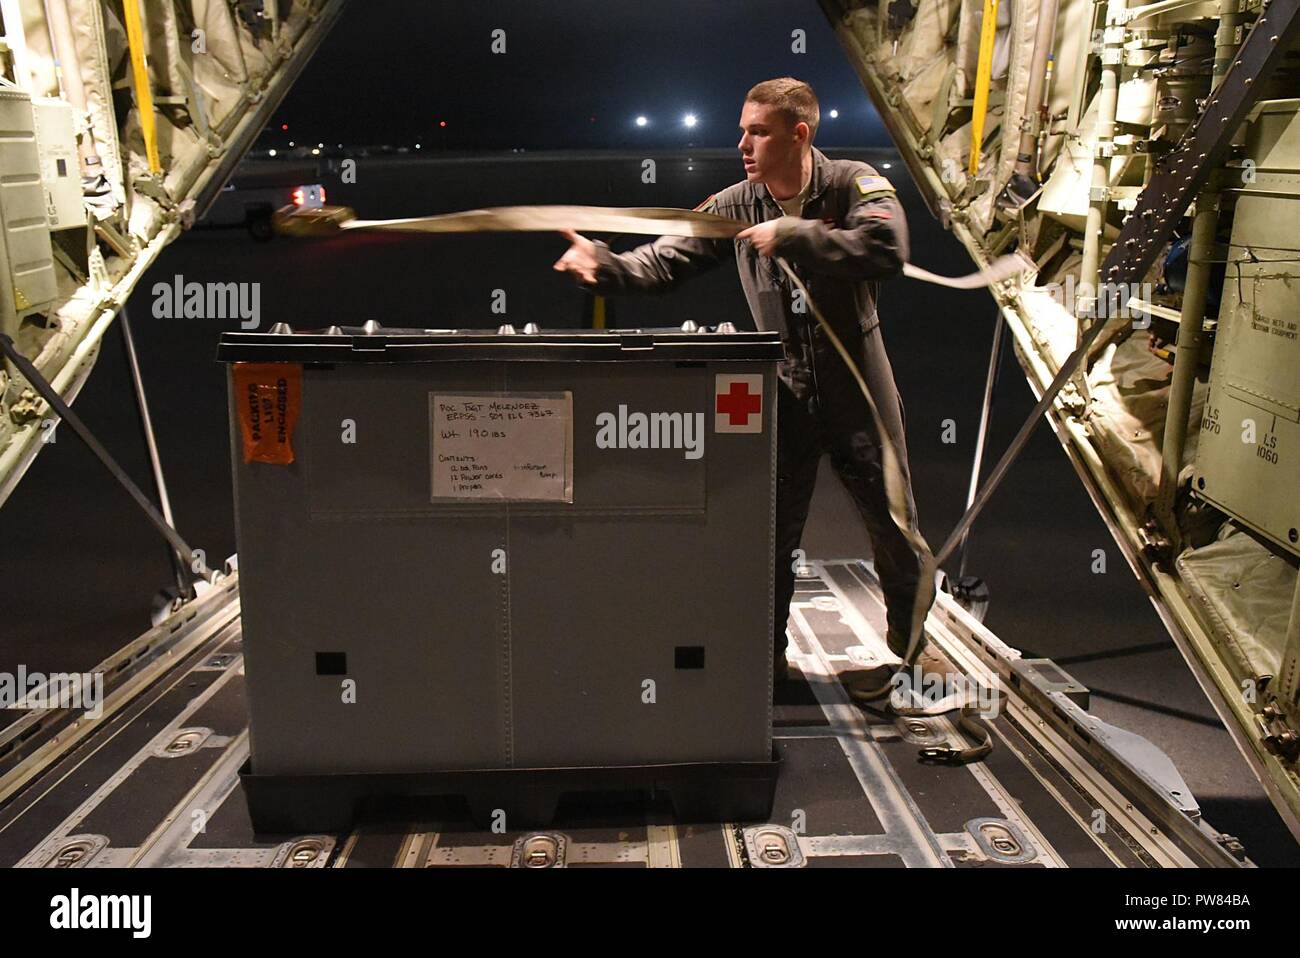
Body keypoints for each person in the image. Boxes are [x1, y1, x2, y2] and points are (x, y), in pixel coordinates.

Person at [553, 77, 924, 682]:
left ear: (799, 134)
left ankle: (911, 650)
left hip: (857, 378)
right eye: (742, 130)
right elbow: (663, 260)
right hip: (787, 384)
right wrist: (606, 267)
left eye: (758, 132)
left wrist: (797, 234)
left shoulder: (853, 182)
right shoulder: (734, 203)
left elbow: (886, 245)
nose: (743, 144)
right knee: (772, 531)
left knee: (894, 524)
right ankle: (765, 662)